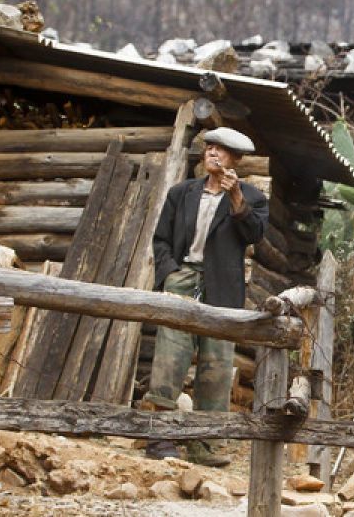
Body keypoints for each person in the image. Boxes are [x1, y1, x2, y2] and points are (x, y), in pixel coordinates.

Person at [142, 127, 269, 466]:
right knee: (170, 355)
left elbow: (255, 234)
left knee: (216, 365)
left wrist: (237, 201)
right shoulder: (182, 193)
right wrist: (171, 274)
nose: (213, 153)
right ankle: (161, 437)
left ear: (235, 160)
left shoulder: (252, 197)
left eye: (222, 150)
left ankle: (203, 444)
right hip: (183, 280)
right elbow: (161, 239)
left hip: (222, 289)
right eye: (210, 147)